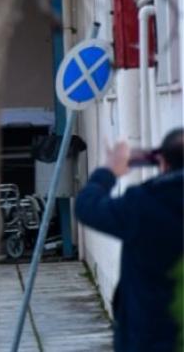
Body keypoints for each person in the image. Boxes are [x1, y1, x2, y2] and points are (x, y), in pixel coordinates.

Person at [75, 129, 183, 352]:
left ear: (162, 163)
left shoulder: (143, 204)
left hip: (150, 338)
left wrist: (109, 170)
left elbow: (87, 207)